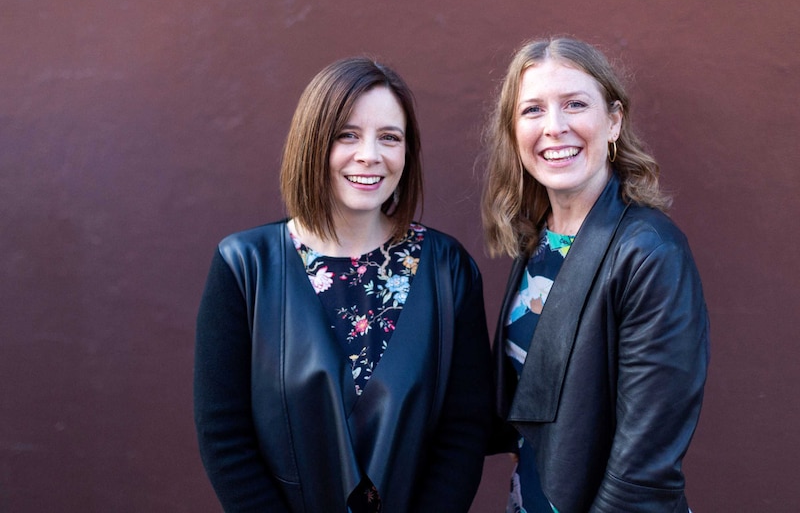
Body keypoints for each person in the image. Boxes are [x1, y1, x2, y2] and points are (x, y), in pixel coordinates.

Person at [194, 57, 493, 512]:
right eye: (347, 135)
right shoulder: (244, 267)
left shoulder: (447, 269)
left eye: (389, 137)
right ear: (311, 143)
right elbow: (224, 435)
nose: (370, 155)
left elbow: (463, 431)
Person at [481, 37, 710, 513]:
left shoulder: (650, 252)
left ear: (613, 121)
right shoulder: (540, 241)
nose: (554, 127)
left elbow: (644, 467)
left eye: (575, 105)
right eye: (533, 111)